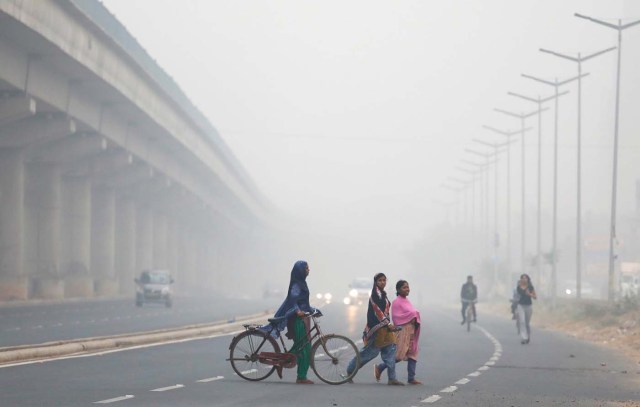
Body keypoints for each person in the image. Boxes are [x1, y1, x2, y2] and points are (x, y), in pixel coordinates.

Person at [346, 273, 404, 385]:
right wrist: (388, 324)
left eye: (384, 280)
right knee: (368, 354)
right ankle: (349, 372)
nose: (382, 282)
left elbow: (385, 312)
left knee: (390, 352)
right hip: (377, 331)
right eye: (380, 280)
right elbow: (378, 312)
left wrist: (389, 326)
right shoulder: (374, 296)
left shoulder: (383, 294)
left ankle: (392, 378)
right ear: (376, 282)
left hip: (386, 331)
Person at [271, 260, 317, 384]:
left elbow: (303, 302)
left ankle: (282, 363)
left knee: (301, 346)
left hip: (303, 318)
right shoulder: (296, 284)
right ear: (300, 271)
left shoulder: (302, 283)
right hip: (296, 319)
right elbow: (293, 300)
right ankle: (301, 377)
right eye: (306, 268)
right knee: (304, 347)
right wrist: (297, 311)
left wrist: (313, 310)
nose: (308, 270)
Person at [374, 280, 423, 385]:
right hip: (402, 331)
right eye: (404, 287)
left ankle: (411, 378)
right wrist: (413, 315)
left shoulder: (407, 301)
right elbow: (396, 318)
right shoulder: (396, 302)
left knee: (413, 353)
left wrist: (414, 316)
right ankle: (380, 367)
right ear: (398, 290)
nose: (407, 289)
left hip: (411, 331)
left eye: (408, 287)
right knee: (399, 355)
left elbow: (411, 313)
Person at [516, 273, 536, 344]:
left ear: (528, 279)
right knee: (522, 321)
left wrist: (529, 294)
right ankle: (524, 337)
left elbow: (535, 297)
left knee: (527, 323)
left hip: (528, 306)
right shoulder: (519, 287)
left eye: (525, 278)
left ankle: (528, 336)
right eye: (523, 278)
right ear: (521, 279)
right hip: (521, 305)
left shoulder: (530, 287)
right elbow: (519, 294)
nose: (524, 279)